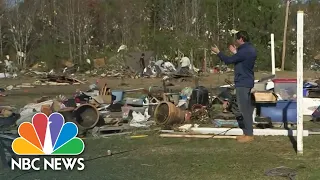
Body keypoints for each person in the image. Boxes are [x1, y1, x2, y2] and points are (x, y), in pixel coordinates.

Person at [211, 30, 257, 143]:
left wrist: (218, 52)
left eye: (237, 39)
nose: (236, 42)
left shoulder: (244, 51)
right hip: (247, 81)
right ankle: (247, 132)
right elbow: (242, 60)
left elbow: (228, 60)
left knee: (243, 109)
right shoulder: (249, 49)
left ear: (241, 39)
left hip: (243, 82)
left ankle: (249, 134)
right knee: (245, 108)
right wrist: (236, 52)